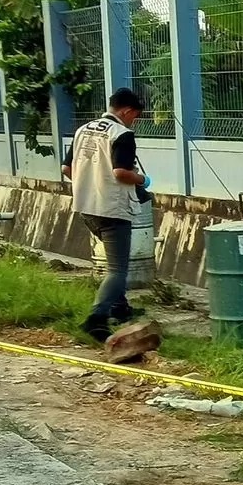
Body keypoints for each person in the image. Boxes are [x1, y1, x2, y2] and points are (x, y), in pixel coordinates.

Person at [61, 88, 150, 342]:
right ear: (127, 111)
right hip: (112, 209)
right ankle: (97, 319)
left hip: (86, 207)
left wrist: (88, 182)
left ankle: (120, 309)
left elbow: (67, 168)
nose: (134, 121)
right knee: (117, 269)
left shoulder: (83, 129)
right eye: (135, 116)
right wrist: (143, 179)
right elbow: (121, 172)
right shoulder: (122, 133)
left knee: (114, 261)